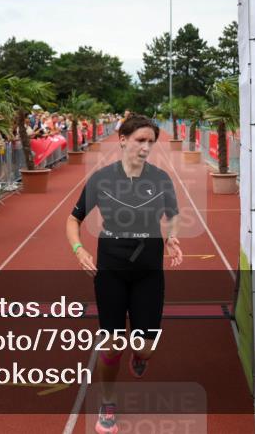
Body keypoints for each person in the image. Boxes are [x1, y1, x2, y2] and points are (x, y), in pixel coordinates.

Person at [65, 114, 183, 434]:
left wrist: (171, 236)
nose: (146, 147)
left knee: (146, 346)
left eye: (150, 142)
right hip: (111, 270)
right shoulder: (102, 179)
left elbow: (172, 215)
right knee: (112, 343)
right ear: (123, 140)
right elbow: (72, 220)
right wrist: (79, 251)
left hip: (148, 271)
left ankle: (140, 356)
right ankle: (108, 401)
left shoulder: (160, 179)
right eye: (140, 140)